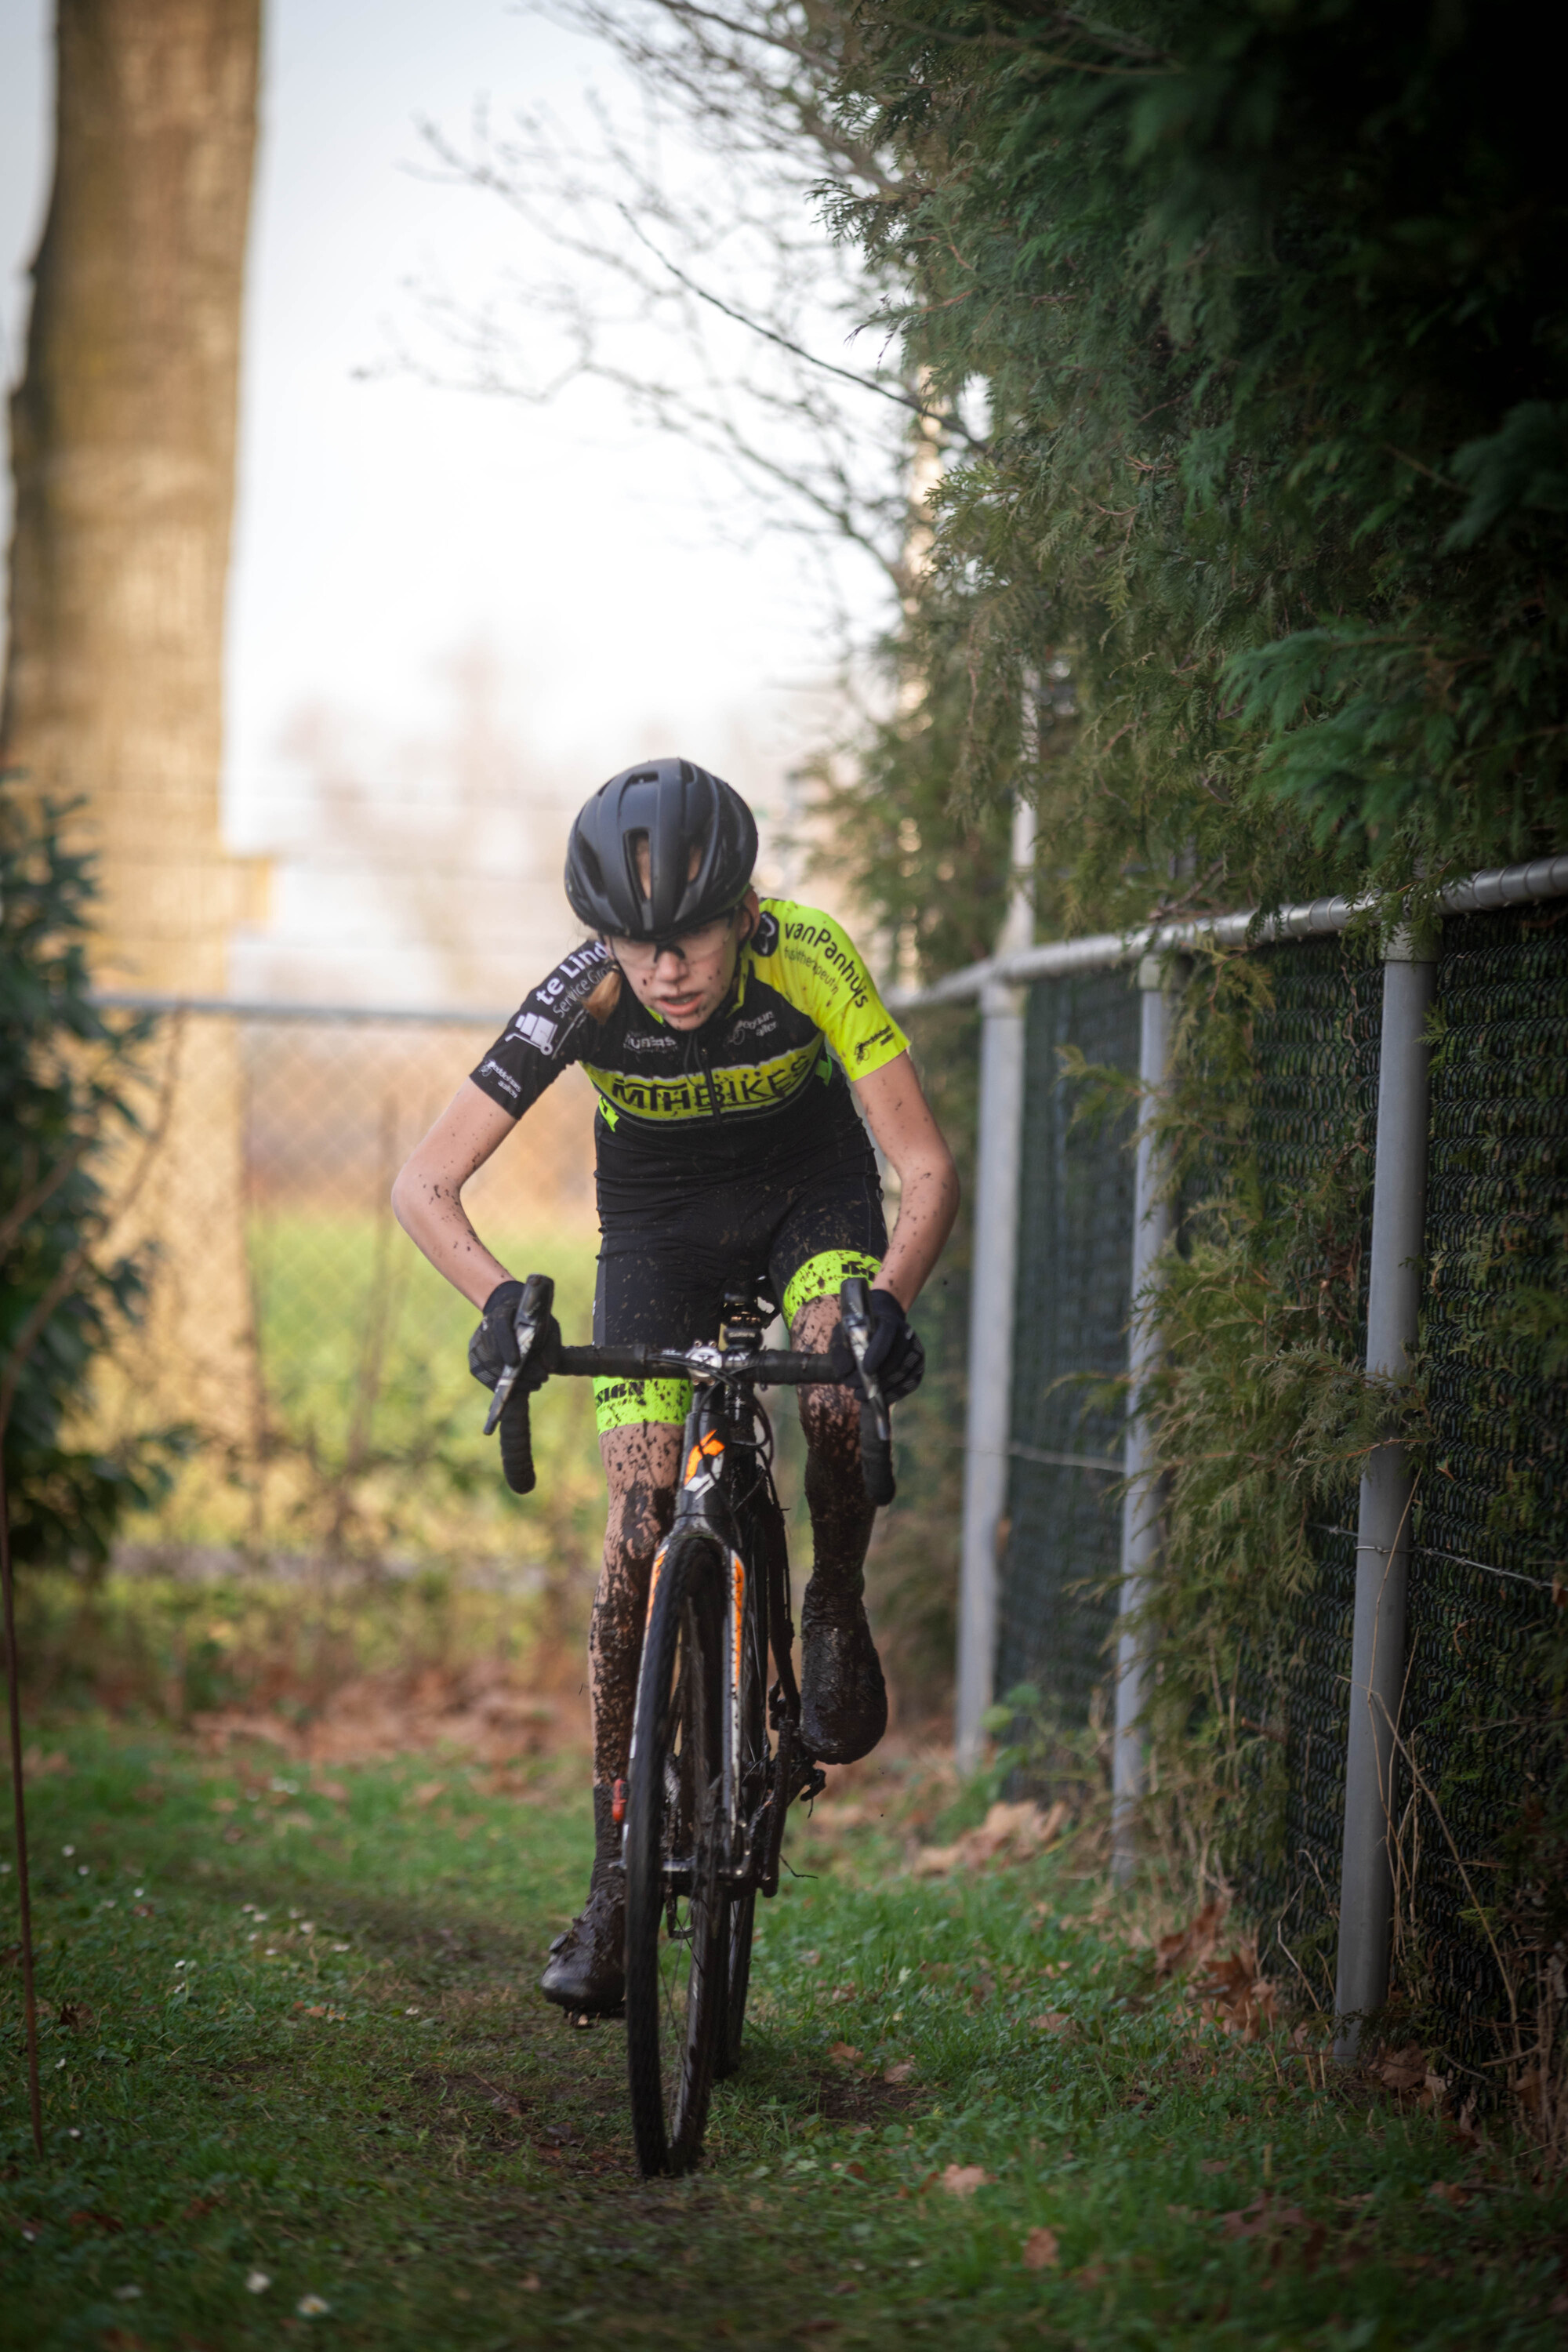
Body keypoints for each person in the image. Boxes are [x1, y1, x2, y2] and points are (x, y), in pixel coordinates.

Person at [391, 757, 959, 2014]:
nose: (665, 969)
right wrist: (499, 1300)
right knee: (634, 1539)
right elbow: (425, 1186)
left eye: (691, 935)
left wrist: (885, 1305)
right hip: (653, 1234)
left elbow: (922, 1169)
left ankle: (835, 1606)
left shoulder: (808, 952)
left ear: (743, 909)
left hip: (808, 1203)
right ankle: (614, 1876)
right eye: (635, 942)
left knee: (825, 1395)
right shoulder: (583, 992)